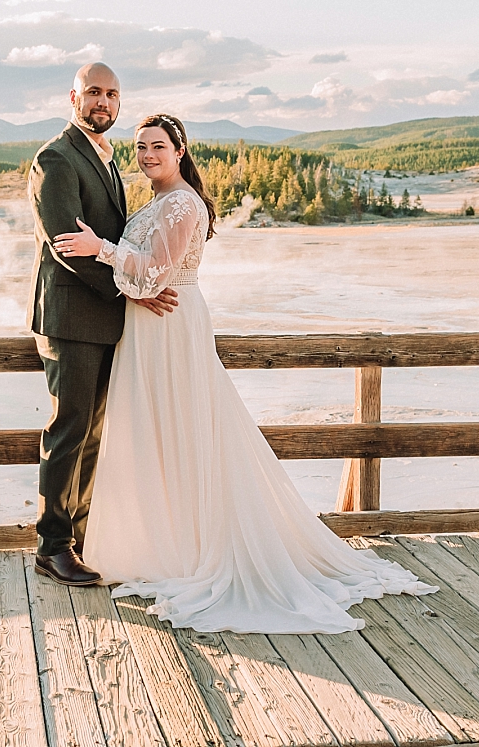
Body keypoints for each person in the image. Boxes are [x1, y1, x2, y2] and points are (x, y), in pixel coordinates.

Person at [52, 112, 436, 633]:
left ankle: (194, 548)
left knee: (186, 432)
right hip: (147, 326)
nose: (146, 155)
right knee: (154, 434)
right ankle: (164, 541)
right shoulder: (158, 200)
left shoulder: (183, 202)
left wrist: (101, 248)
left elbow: (159, 272)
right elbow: (143, 271)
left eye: (157, 146)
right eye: (140, 146)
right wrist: (124, 272)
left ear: (180, 151)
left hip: (170, 325)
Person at [27, 62, 177, 587]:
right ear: (73, 96)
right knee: (68, 430)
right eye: (93, 92)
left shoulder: (107, 159)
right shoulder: (57, 158)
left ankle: (83, 535)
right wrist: (133, 289)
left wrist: (136, 283)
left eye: (112, 95)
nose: (103, 103)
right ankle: (52, 546)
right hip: (70, 317)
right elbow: (69, 247)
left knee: (92, 433)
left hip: (105, 320)